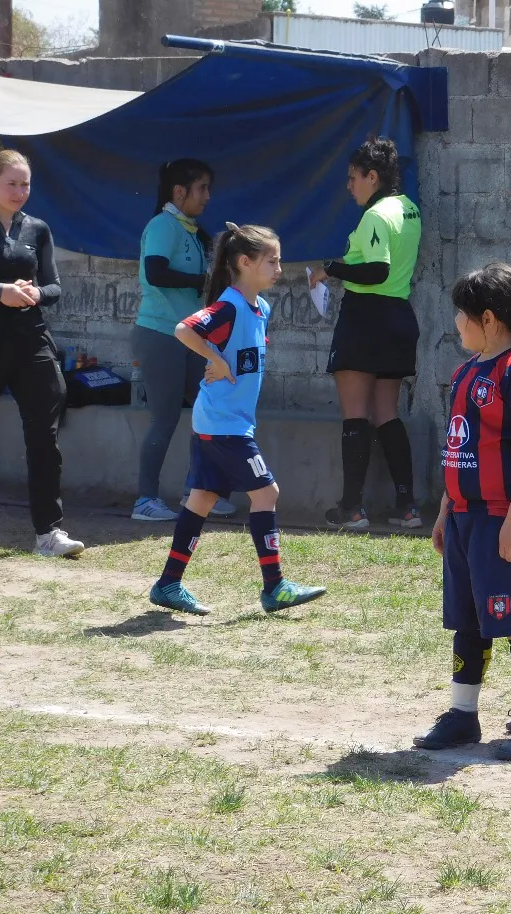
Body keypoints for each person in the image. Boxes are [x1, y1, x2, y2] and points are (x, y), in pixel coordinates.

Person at [413, 263, 511, 762]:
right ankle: (463, 714)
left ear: (488, 318)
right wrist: (446, 510)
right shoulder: (467, 371)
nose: (455, 321)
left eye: (462, 312)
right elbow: (459, 448)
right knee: (470, 619)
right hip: (466, 517)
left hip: (505, 518)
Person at [148, 223, 326, 616]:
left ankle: (168, 584)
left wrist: (221, 358)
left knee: (202, 499)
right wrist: (214, 359)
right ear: (244, 263)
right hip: (223, 424)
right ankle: (275, 587)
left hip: (224, 421)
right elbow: (184, 329)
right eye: (271, 261)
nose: (279, 269)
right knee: (267, 494)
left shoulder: (261, 308)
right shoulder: (228, 305)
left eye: (279, 260)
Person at [310, 138, 423, 531]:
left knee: (355, 413)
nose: (349, 186)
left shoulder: (375, 215)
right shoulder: (409, 209)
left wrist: (331, 269)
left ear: (372, 177)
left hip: (365, 318)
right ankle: (408, 506)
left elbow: (377, 270)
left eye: (353, 177)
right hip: (398, 317)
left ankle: (352, 509)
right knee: (387, 412)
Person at [132, 159, 235, 522]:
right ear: (179, 192)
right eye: (202, 188)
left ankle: (200, 493)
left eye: (208, 188)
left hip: (189, 337)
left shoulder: (189, 229)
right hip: (160, 334)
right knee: (165, 418)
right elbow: (155, 272)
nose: (207, 196)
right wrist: (202, 282)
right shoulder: (163, 225)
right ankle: (145, 500)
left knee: (212, 409)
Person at [0, 150, 83, 558]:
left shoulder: (37, 228)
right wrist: (1, 292)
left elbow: (54, 286)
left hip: (30, 339)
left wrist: (35, 292)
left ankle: (49, 533)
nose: (20, 191)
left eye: (25, 184)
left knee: (44, 436)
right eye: (11, 183)